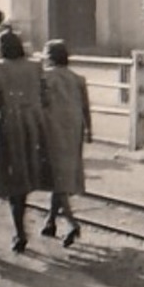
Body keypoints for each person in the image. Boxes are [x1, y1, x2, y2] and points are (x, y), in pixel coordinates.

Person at [0, 30, 50, 253]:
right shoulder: (35, 66)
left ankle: (19, 232)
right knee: (30, 173)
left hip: (10, 125)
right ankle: (42, 222)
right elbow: (45, 95)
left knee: (13, 179)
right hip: (34, 123)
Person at [40, 39, 92, 247]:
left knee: (56, 176)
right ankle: (50, 221)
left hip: (52, 128)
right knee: (63, 173)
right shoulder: (78, 78)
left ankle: (72, 223)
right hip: (74, 129)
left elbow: (41, 104)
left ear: (50, 57)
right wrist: (89, 129)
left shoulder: (45, 77)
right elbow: (86, 106)